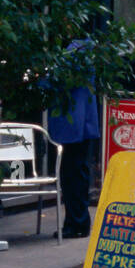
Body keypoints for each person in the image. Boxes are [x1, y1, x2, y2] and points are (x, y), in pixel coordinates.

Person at [46, 41, 100, 239]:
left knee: (72, 175)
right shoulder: (83, 47)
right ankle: (77, 222)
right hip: (80, 123)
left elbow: (62, 80)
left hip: (74, 125)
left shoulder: (78, 48)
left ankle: (77, 223)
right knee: (76, 174)